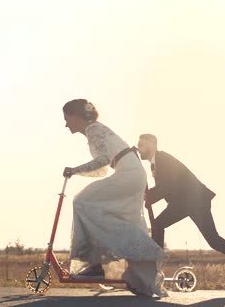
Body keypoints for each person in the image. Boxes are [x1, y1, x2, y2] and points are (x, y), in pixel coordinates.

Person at [62, 99, 167, 297]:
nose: (66, 124)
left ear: (76, 116)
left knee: (82, 202)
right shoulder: (94, 130)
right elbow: (103, 170)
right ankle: (134, 266)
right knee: (104, 212)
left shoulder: (92, 129)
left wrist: (74, 170)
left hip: (128, 174)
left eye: (67, 118)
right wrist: (76, 172)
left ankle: (93, 264)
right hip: (133, 173)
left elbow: (102, 160)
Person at [137, 133, 225, 292]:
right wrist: (147, 196)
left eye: (141, 145)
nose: (138, 148)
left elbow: (166, 186)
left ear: (152, 145)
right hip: (187, 202)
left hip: (193, 201)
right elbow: (165, 187)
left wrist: (147, 197)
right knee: (212, 239)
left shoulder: (163, 159)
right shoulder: (156, 163)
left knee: (163, 226)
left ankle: (154, 270)